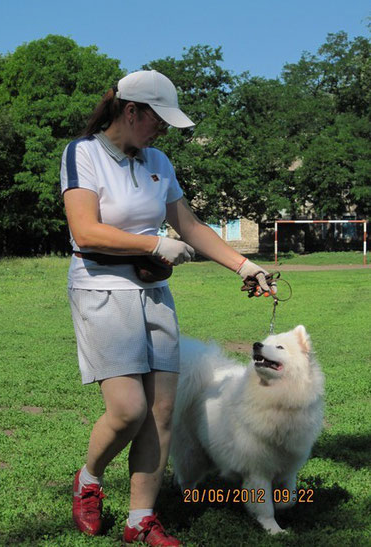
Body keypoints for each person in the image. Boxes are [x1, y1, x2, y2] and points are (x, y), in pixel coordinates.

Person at [60, 70, 275, 546]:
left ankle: (141, 519)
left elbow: (191, 225)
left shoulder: (158, 161)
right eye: (158, 119)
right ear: (131, 111)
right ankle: (89, 479)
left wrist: (243, 265)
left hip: (154, 293)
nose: (163, 131)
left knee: (161, 411)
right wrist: (154, 243)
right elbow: (86, 231)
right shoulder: (84, 153)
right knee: (128, 410)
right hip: (101, 289)